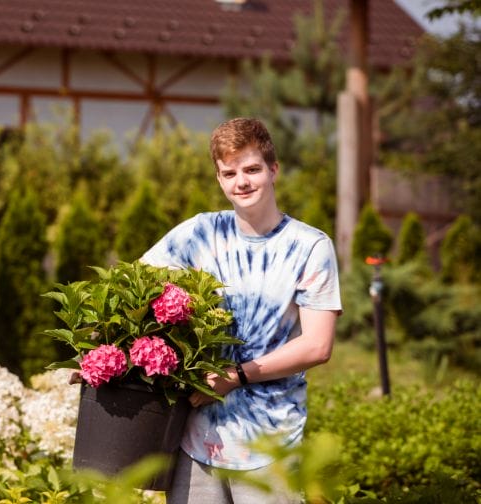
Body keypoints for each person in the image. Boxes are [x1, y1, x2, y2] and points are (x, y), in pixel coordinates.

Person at [140, 117, 342, 504]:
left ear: (273, 170)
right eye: (229, 173)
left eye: (251, 169)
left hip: (270, 444)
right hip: (193, 441)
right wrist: (102, 351)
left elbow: (318, 346)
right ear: (218, 178)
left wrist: (236, 376)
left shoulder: (309, 246)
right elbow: (131, 291)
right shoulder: (199, 233)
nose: (241, 182)